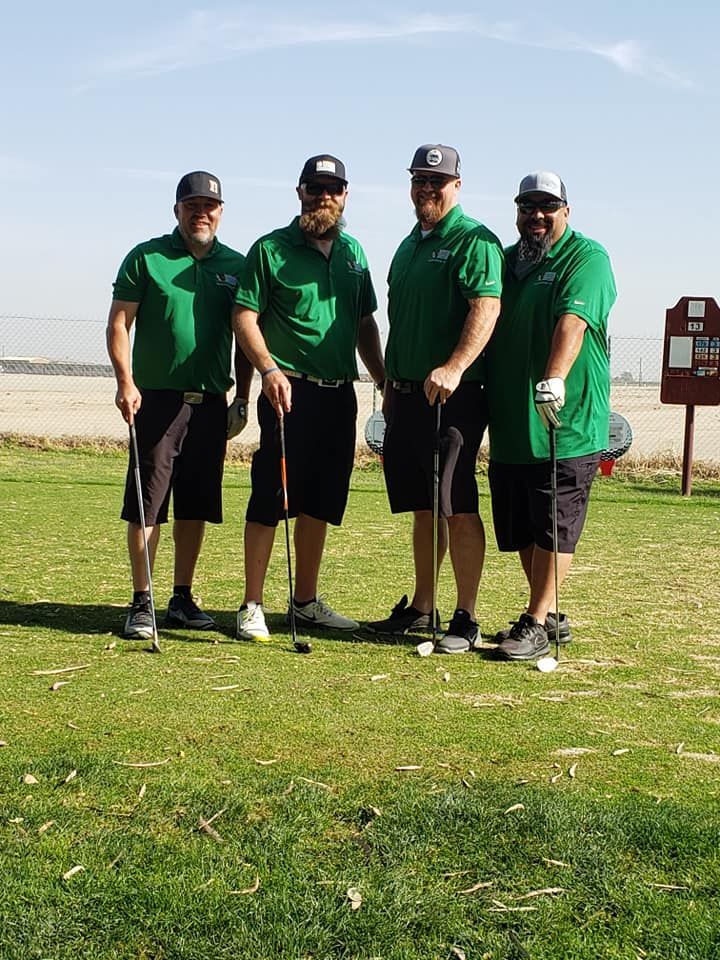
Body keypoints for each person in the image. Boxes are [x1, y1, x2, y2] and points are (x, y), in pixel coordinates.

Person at [232, 154, 385, 641]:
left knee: (320, 501)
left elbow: (364, 323)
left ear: (345, 196)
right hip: (287, 391)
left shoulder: (354, 254)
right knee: (271, 496)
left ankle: (305, 602)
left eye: (333, 189)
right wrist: (268, 369)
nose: (325, 197)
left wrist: (381, 379)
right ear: (299, 192)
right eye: (315, 188)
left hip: (339, 396)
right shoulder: (270, 250)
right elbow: (244, 318)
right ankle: (252, 604)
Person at [367, 144, 503, 653]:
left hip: (453, 396)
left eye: (437, 181)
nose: (427, 188)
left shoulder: (473, 240)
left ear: (457, 186)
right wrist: (388, 386)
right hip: (404, 396)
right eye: (419, 180)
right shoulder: (408, 245)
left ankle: (465, 616)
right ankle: (424, 605)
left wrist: (455, 365)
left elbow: (485, 308)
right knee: (423, 508)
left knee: (456, 505)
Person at [107, 170, 249, 640]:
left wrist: (242, 398)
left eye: (209, 206)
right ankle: (142, 601)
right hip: (156, 402)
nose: (200, 213)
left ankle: (182, 597)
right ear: (177, 210)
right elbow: (118, 326)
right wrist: (125, 383)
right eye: (192, 205)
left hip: (209, 403)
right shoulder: (147, 258)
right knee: (148, 504)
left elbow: (247, 336)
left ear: (221, 212)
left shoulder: (237, 265)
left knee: (196, 505)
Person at [485, 171, 617, 661]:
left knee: (554, 524)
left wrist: (554, 377)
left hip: (567, 421)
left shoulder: (587, 257)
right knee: (522, 527)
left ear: (566, 210)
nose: (536, 216)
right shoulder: (507, 261)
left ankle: (536, 619)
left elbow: (573, 321)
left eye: (547, 207)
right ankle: (550, 611)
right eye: (527, 207)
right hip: (514, 425)